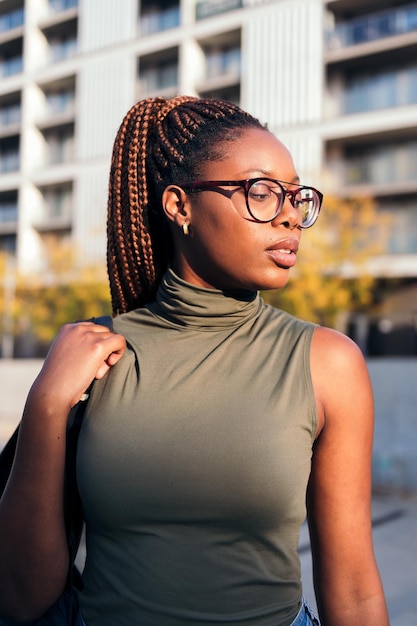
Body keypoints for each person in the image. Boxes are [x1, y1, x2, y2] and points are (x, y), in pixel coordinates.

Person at [0, 96, 389, 626]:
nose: (291, 215)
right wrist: (46, 403)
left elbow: (354, 587)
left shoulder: (327, 363)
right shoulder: (92, 357)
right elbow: (19, 596)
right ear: (180, 205)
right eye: (261, 192)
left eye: (296, 196)